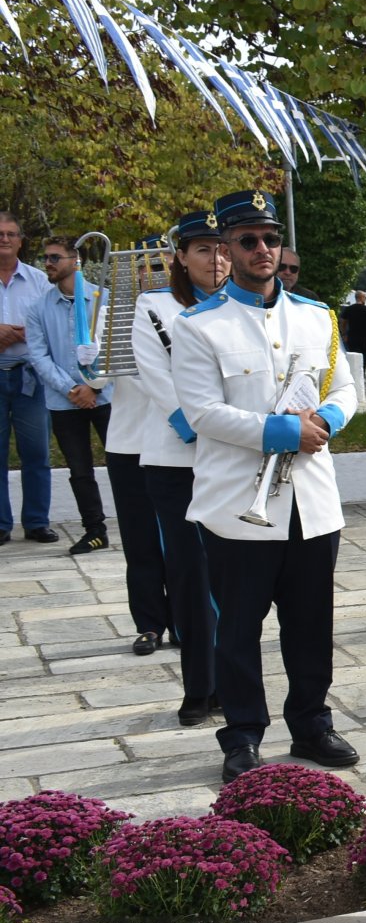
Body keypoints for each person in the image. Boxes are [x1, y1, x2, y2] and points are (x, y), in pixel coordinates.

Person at [171, 189, 359, 783]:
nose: (261, 249)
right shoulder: (198, 325)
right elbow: (202, 413)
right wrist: (282, 431)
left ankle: (311, 722)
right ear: (226, 248)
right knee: (239, 630)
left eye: (270, 238)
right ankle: (244, 733)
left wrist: (328, 420)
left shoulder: (316, 316)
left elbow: (344, 388)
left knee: (311, 624)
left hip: (311, 502)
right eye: (247, 240)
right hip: (236, 506)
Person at [134, 210, 226, 724]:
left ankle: (233, 680)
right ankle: (200, 686)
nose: (215, 260)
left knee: (234, 580)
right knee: (190, 576)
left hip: (233, 458)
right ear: (181, 258)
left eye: (221, 249)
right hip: (177, 458)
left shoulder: (243, 306)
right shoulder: (154, 306)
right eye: (203, 250)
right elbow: (159, 379)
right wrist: (199, 422)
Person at [99, 236, 171, 656]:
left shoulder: (185, 312)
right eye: (146, 267)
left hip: (171, 438)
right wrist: (88, 361)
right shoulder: (113, 313)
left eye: (160, 265)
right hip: (128, 441)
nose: (153, 274)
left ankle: (185, 618)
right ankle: (149, 622)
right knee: (139, 538)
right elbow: (95, 381)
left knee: (182, 539)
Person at [24, 236, 114, 555]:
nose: (47, 263)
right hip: (64, 401)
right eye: (45, 258)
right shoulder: (38, 307)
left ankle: (138, 521)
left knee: (122, 463)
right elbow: (38, 355)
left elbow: (113, 348)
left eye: (54, 258)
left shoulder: (104, 298)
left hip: (105, 397)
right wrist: (72, 389)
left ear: (74, 261)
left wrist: (94, 386)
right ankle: (94, 530)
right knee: (79, 469)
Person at [0, 212, 54, 546]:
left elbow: (50, 327)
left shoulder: (39, 281)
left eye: (10, 234)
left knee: (37, 453)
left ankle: (36, 522)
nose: (4, 239)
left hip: (30, 378)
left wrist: (18, 334)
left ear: (21, 240)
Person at [340, 289, 366, 358]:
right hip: (364, 338)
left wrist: (344, 335)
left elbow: (342, 323)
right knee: (363, 359)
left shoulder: (348, 309)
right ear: (360, 297)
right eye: (365, 297)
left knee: (353, 358)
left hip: (352, 338)